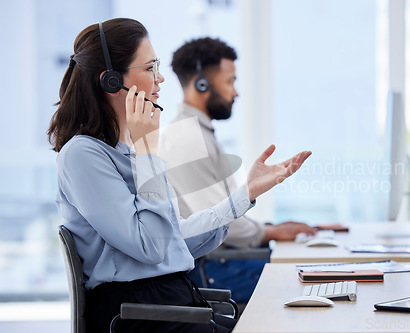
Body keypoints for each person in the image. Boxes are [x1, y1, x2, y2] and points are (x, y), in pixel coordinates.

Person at [47, 18, 311, 333]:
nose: (159, 79)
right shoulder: (82, 155)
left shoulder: (125, 151)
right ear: (112, 82)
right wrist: (148, 152)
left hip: (167, 300)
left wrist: (247, 194)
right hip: (136, 314)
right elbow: (152, 247)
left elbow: (173, 236)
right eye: (148, 69)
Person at [159, 37, 316, 303]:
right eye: (230, 81)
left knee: (311, 273)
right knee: (304, 280)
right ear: (202, 83)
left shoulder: (198, 133)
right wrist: (268, 232)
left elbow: (224, 212)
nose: (236, 92)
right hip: (212, 269)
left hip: (222, 261)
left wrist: (270, 227)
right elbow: (214, 222)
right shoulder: (187, 139)